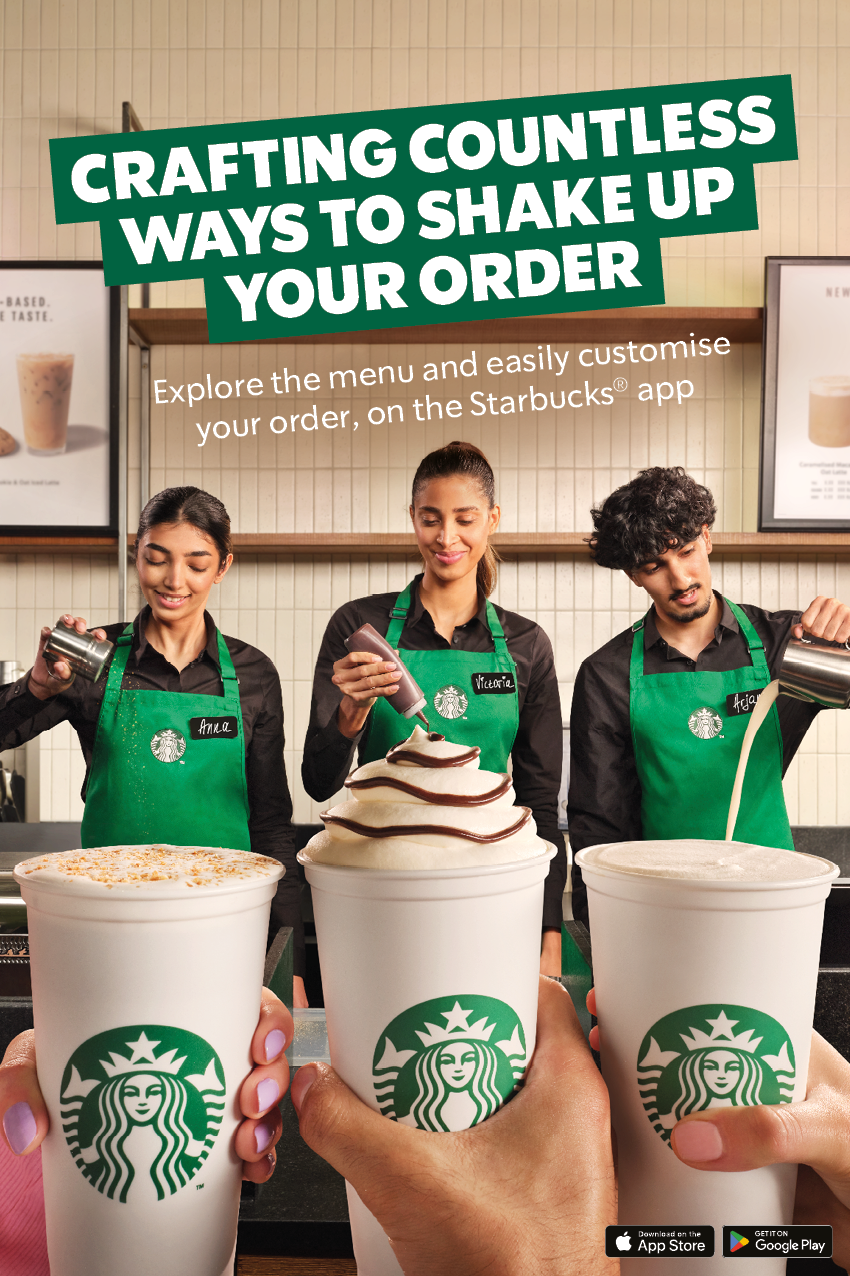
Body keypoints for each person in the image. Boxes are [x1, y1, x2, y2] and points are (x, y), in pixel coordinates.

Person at [0, 486, 306, 1004]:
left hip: (224, 921)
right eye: (157, 559)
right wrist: (38, 686)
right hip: (111, 918)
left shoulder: (253, 675)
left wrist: (287, 962)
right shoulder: (93, 662)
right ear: (135, 555)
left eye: (196, 562)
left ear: (222, 566)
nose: (174, 580)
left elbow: (272, 822)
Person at [302, 442, 567, 973]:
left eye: (464, 519)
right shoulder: (360, 628)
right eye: (431, 519)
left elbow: (538, 796)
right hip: (379, 879)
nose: (447, 538)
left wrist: (548, 929)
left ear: (492, 520)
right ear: (412, 520)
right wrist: (351, 713)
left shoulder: (525, 644)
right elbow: (317, 781)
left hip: (491, 881)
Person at [568, 467, 850, 926]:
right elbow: (598, 826)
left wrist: (845, 634)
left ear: (707, 538)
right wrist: (599, 933)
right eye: (654, 565)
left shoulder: (786, 644)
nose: (680, 579)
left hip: (772, 901)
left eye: (685, 550)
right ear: (633, 575)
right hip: (662, 910)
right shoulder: (607, 674)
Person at [0, 990, 292, 1276]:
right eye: (131, 1092)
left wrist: (226, 1006)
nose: (142, 1100)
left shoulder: (182, 1146)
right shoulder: (97, 1147)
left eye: (153, 1091)